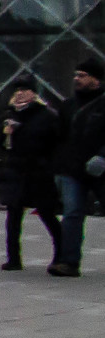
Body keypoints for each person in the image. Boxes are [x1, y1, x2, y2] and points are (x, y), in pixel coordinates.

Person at [0, 79, 62, 272]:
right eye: (17, 91)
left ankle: (62, 255)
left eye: (24, 90)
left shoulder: (47, 116)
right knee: (13, 215)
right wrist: (6, 134)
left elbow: (56, 143)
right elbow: (0, 144)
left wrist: (50, 165)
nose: (20, 94)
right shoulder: (9, 116)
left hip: (39, 172)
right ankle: (13, 258)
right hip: (15, 171)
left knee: (47, 213)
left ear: (34, 94)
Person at [51, 58, 105, 278]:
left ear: (96, 79)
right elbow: (60, 139)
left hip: (101, 169)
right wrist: (58, 169)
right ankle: (69, 262)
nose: (77, 79)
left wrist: (103, 156)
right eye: (76, 75)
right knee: (72, 214)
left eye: (82, 75)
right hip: (73, 169)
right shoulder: (68, 105)